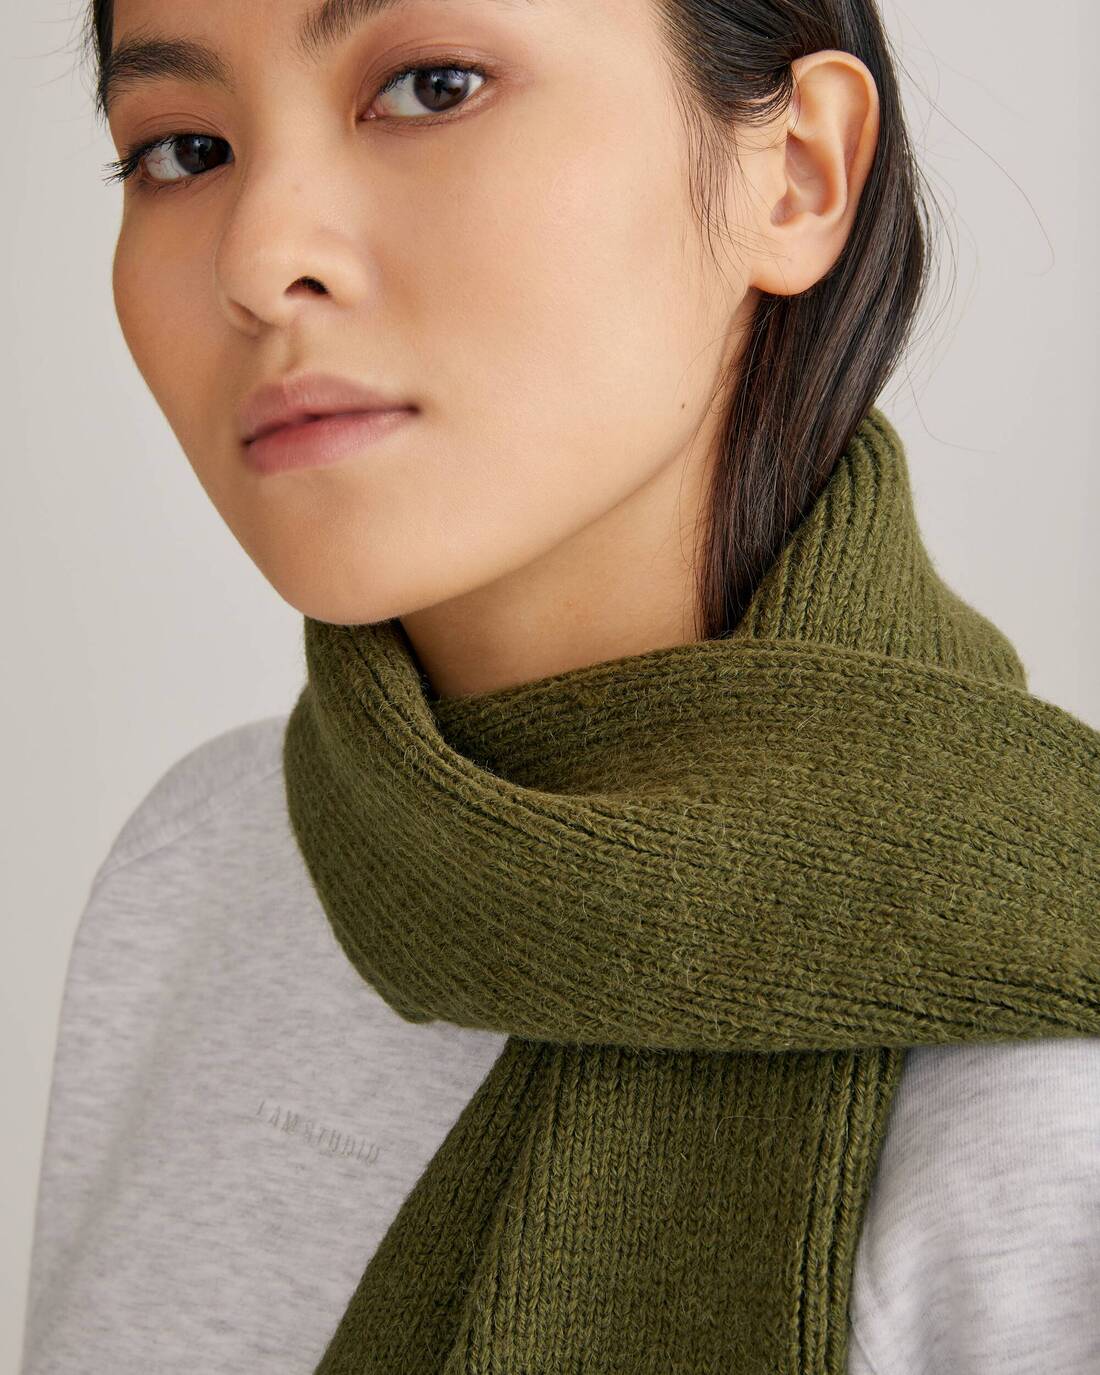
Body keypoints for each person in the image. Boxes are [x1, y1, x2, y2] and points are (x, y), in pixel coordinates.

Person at [19, 0, 1100, 1371]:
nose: (258, 259)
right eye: (182, 151)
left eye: (433, 86)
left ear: (797, 173)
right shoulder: (201, 869)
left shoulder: (1046, 1103)